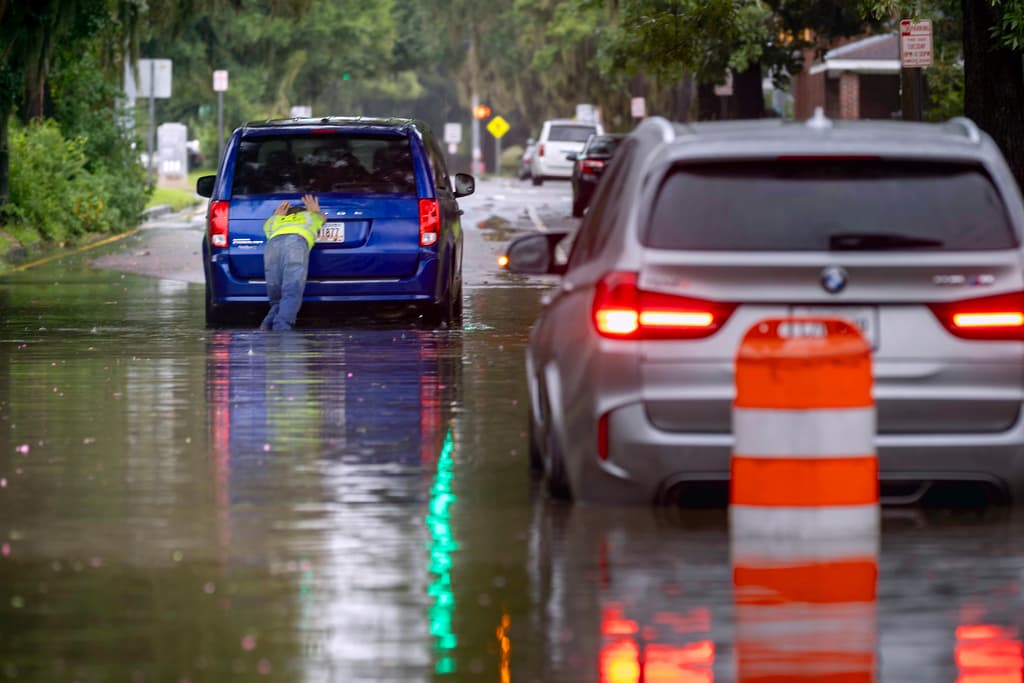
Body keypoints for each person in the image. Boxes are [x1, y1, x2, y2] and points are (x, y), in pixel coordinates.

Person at [260, 193, 325, 331]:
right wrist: (315, 210)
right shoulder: (309, 217)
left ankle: (266, 325)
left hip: (272, 247)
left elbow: (267, 223)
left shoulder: (273, 222)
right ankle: (282, 328)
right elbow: (322, 218)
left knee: (276, 294)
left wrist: (276, 216)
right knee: (291, 290)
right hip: (295, 244)